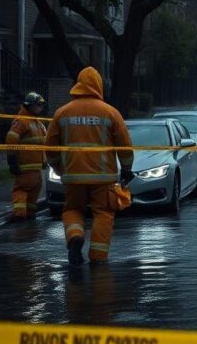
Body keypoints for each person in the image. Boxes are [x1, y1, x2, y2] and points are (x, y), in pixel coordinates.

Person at [46, 67, 134, 265]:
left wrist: (58, 168)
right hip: (103, 178)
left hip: (73, 177)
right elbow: (125, 146)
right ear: (98, 85)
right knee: (103, 213)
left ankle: (75, 237)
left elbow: (50, 146)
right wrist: (127, 169)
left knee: (72, 210)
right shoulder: (110, 112)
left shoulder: (62, 112)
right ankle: (98, 257)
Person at [5, 92, 48, 222]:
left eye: (41, 105)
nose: (40, 108)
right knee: (21, 190)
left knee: (33, 192)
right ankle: (19, 215)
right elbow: (11, 139)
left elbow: (42, 144)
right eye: (38, 105)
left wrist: (44, 160)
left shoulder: (39, 124)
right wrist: (12, 161)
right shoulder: (21, 121)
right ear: (29, 106)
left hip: (36, 169)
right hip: (24, 167)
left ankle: (29, 214)